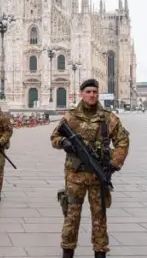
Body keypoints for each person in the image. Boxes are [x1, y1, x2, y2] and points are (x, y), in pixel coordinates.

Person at [50, 79, 130, 258]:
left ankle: (100, 253)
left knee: (99, 218)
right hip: (74, 177)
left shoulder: (108, 118)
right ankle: (67, 252)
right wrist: (64, 142)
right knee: (71, 217)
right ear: (82, 94)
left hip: (97, 178)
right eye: (88, 92)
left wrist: (114, 163)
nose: (92, 95)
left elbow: (123, 141)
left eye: (94, 91)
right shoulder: (70, 117)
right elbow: (54, 137)